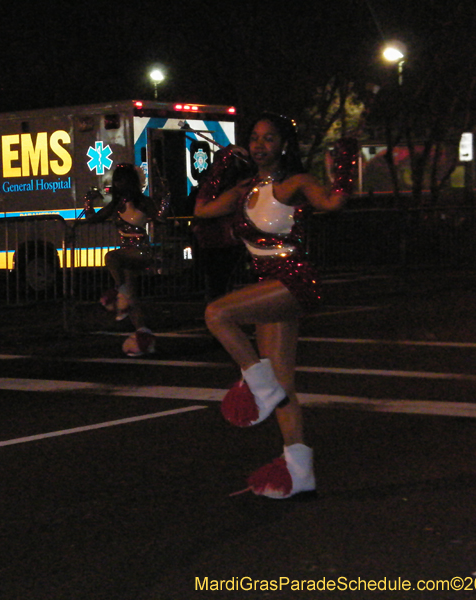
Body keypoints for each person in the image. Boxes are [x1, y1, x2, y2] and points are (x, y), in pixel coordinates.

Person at [194, 112, 357, 499]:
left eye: (269, 138)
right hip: (268, 284)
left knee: (217, 313)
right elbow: (202, 209)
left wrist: (347, 164)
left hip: (293, 281)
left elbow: (332, 202)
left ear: (283, 145)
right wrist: (220, 169)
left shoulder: (295, 183)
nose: (260, 145)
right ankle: (299, 470)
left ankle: (257, 384)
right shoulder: (244, 189)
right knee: (284, 385)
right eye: (254, 138)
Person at [79, 163, 163, 357]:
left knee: (111, 257)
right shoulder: (116, 205)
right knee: (132, 298)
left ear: (131, 181)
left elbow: (161, 219)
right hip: (126, 256)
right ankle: (143, 334)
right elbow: (93, 220)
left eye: (123, 179)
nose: (119, 183)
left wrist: (164, 204)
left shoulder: (143, 202)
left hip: (142, 253)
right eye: (117, 180)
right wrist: (88, 203)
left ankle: (119, 294)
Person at [190, 140, 250, 301]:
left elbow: (201, 208)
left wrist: (221, 163)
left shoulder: (238, 190)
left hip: (225, 242)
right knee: (219, 286)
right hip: (216, 242)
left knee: (220, 288)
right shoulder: (227, 187)